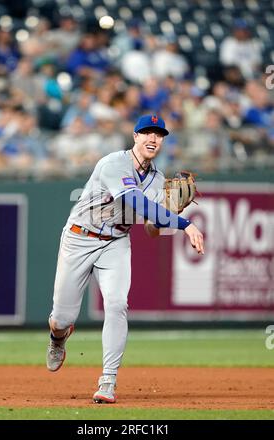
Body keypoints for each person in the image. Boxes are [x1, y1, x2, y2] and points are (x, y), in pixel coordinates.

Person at [46, 114, 204, 403]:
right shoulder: (113, 163)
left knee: (117, 304)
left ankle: (108, 381)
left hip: (116, 243)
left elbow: (150, 229)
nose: (153, 138)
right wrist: (185, 224)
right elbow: (135, 202)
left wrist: (171, 213)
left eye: (159, 134)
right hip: (80, 238)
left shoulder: (157, 178)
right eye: (147, 132)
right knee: (61, 318)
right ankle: (58, 337)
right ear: (135, 136)